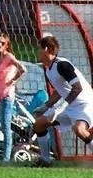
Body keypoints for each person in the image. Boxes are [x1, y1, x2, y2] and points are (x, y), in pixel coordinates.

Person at [32, 35, 93, 167]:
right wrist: (45, 106)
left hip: (84, 105)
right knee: (39, 124)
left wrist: (60, 107)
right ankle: (45, 161)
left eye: (39, 49)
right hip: (69, 106)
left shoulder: (62, 65)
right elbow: (60, 91)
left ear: (47, 49)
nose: (38, 52)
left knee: (79, 130)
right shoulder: (48, 69)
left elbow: (77, 88)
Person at [0, 33, 26, 162]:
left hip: (7, 95)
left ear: (7, 45)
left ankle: (6, 158)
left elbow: (22, 68)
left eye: (2, 43)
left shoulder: (9, 57)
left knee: (5, 126)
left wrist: (13, 80)